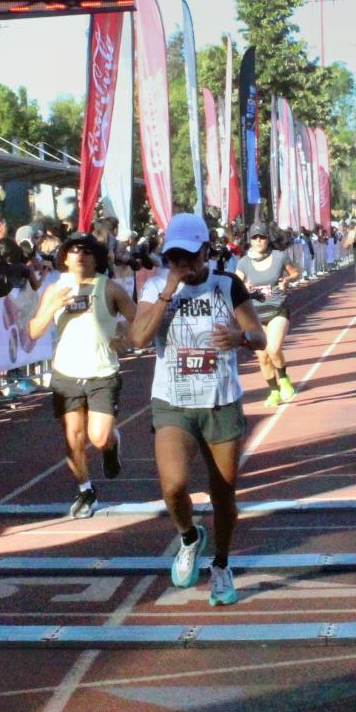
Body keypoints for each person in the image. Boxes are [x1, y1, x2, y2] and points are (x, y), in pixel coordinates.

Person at [126, 214, 266, 608]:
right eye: (174, 257)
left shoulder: (227, 285)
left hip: (220, 401)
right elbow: (137, 338)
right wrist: (168, 291)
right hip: (173, 402)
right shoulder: (156, 286)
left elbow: (259, 336)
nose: (182, 264)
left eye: (189, 256)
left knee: (223, 494)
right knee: (173, 486)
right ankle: (189, 537)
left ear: (206, 251)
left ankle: (221, 564)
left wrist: (239, 338)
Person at [28, 233, 136, 518]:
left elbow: (137, 318)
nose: (80, 255)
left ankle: (111, 443)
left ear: (96, 259)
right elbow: (34, 331)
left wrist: (125, 336)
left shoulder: (110, 288)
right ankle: (85, 490)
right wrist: (52, 307)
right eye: (74, 251)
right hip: (66, 373)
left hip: (102, 373)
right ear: (64, 258)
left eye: (87, 251)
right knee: (73, 435)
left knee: (98, 438)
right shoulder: (55, 290)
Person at [234, 224, 303, 407]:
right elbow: (234, 284)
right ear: (250, 240)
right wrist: (243, 287)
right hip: (255, 315)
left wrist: (287, 280)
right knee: (263, 357)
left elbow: (296, 272)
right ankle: (274, 391)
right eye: (254, 237)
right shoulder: (244, 263)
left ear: (267, 239)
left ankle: (284, 379)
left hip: (277, 309)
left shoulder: (279, 257)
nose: (258, 241)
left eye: (262, 237)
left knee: (273, 349)